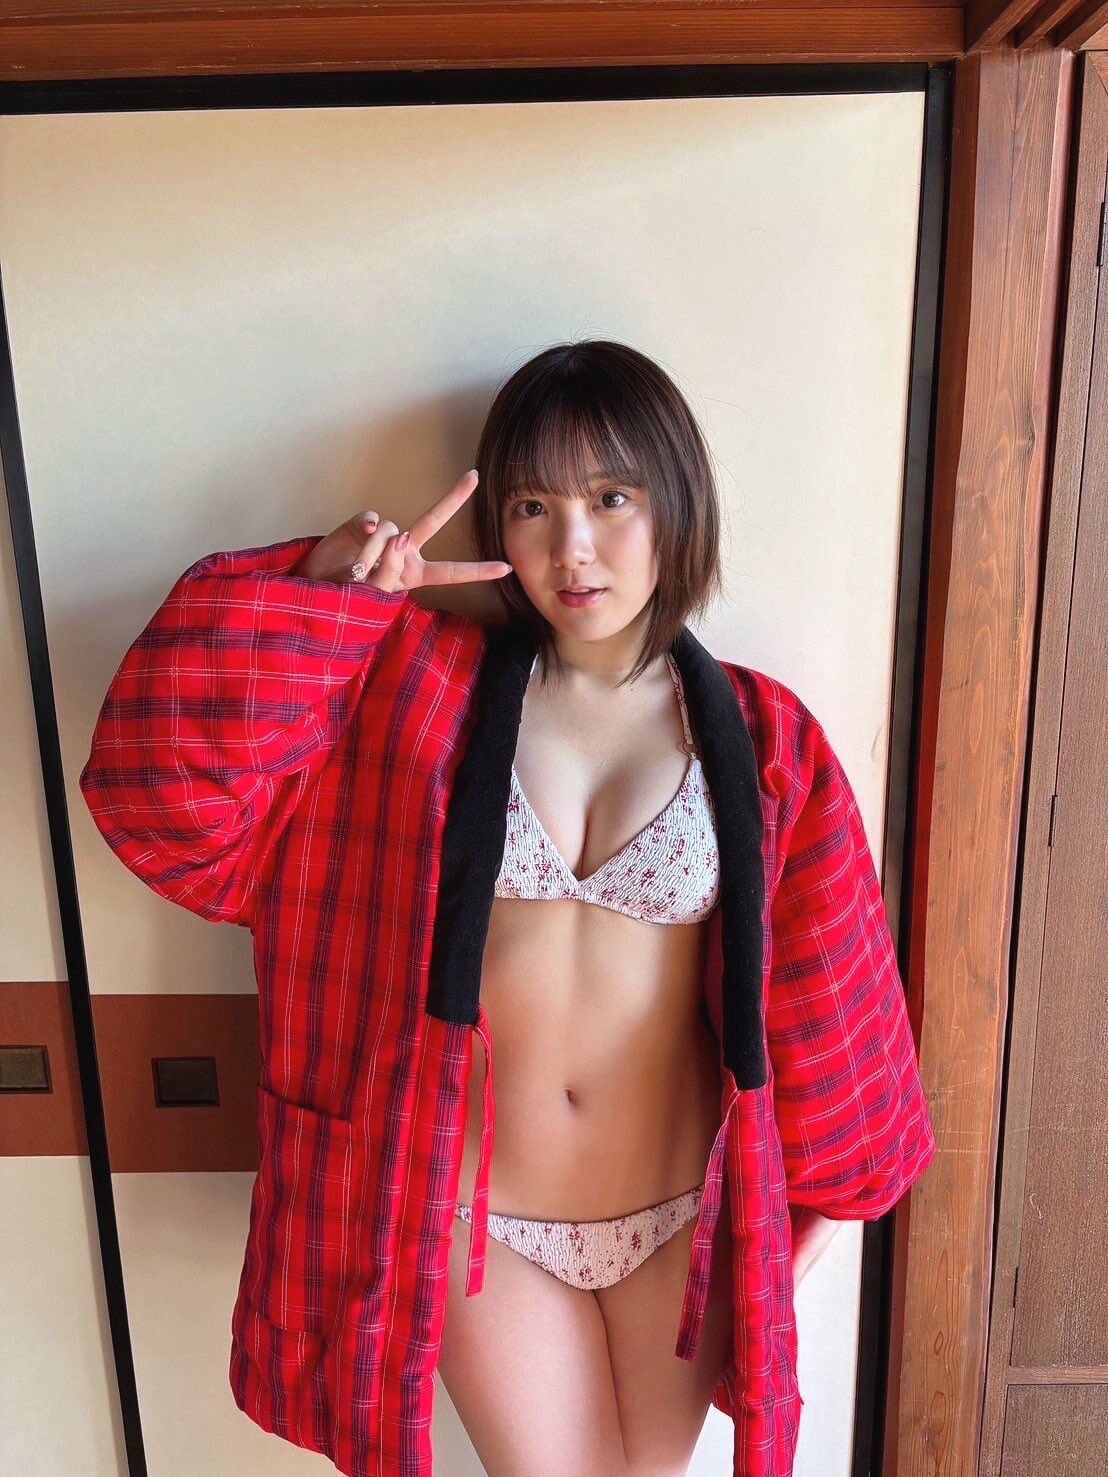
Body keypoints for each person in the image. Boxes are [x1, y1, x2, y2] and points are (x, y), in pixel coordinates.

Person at [79, 340, 936, 1477]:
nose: (571, 547)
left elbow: (830, 981)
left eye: (611, 498)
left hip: (680, 1218)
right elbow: (165, 795)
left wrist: (815, 1213)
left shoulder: (762, 732)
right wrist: (326, 600)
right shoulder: (410, 690)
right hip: (480, 1223)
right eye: (534, 506)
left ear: (676, 504)